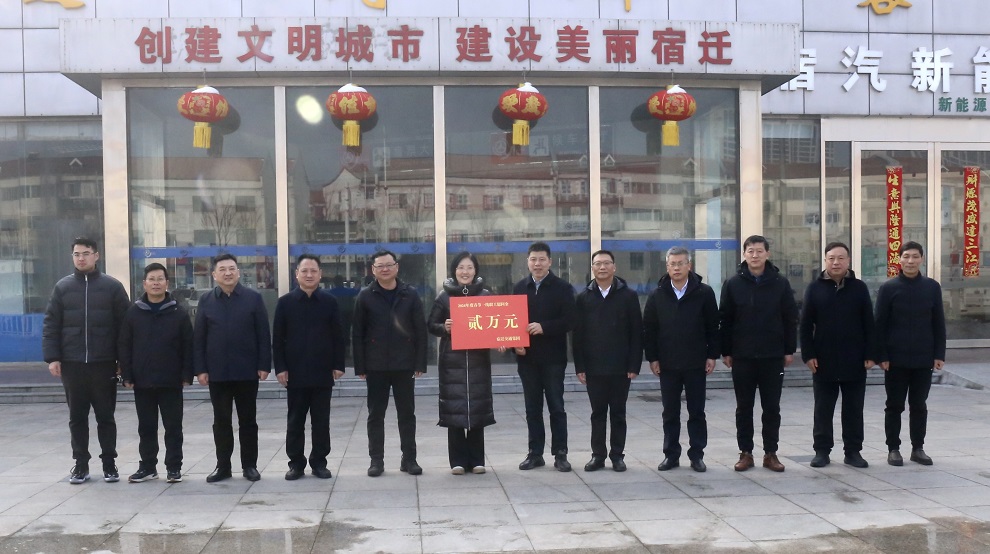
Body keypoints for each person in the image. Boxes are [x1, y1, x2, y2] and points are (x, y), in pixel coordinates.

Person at [43, 237, 130, 484]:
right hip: (72, 364)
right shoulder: (62, 287)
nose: (81, 258)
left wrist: (123, 360)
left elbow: (125, 327)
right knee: (77, 418)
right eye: (76, 254)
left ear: (96, 255)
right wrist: (53, 357)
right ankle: (80, 465)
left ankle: (109, 464)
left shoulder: (112, 287)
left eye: (86, 253)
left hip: (104, 363)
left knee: (106, 417)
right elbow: (51, 324)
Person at [720, 235, 798, 473]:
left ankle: (770, 453)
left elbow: (790, 318)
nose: (755, 255)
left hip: (772, 356)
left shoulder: (780, 283)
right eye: (750, 251)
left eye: (759, 251)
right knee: (744, 407)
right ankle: (745, 453)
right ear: (744, 254)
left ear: (767, 254)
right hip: (742, 356)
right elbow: (725, 319)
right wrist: (726, 351)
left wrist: (789, 349)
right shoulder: (733, 284)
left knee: (771, 407)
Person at [194, 253, 272, 483]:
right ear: (214, 274)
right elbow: (199, 338)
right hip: (217, 373)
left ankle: (250, 466)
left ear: (238, 272)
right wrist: (200, 369)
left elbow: (263, 334)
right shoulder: (206, 300)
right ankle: (223, 466)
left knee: (248, 421)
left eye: (231, 269)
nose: (227, 273)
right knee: (221, 422)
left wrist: (264, 365)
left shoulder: (253, 298)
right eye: (222, 269)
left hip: (247, 371)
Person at [643, 246, 719, 473]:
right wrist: (653, 358)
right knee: (670, 412)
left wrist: (712, 355)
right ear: (667, 267)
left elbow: (713, 326)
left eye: (680, 263)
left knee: (697, 411)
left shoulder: (704, 292)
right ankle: (671, 455)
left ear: (689, 266)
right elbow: (649, 329)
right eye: (672, 264)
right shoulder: (657, 294)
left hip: (696, 362)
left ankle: (697, 455)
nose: (676, 268)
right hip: (668, 363)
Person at [800, 242, 875, 469]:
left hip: (855, 358)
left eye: (841, 258)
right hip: (823, 359)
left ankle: (853, 451)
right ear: (825, 260)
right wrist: (808, 355)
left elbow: (869, 323)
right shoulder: (814, 288)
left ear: (848, 261)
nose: (836, 262)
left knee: (854, 409)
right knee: (823, 409)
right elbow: (805, 325)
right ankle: (822, 451)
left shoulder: (859, 288)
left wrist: (871, 353)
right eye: (831, 258)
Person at [352, 250, 427, 477]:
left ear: (396, 267)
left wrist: (420, 363)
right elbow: (357, 333)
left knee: (407, 414)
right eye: (380, 266)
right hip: (375, 365)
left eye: (389, 265)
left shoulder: (409, 294)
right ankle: (376, 460)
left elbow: (420, 330)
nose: (385, 269)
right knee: (376, 415)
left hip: (404, 364)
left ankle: (409, 459)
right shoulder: (365, 296)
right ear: (373, 270)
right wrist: (360, 366)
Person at [118, 263, 193, 483]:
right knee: (146, 427)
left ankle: (174, 467)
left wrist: (187, 374)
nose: (156, 283)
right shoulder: (134, 312)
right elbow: (124, 345)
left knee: (173, 427)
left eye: (160, 279)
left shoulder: (178, 312)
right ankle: (148, 466)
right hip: (142, 381)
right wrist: (127, 374)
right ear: (144, 284)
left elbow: (188, 345)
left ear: (167, 283)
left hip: (171, 381)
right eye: (152, 279)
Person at [273, 254, 345, 481]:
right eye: (304, 271)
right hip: (294, 373)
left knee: (321, 421)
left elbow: (338, 336)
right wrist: (280, 368)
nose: (309, 275)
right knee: (295, 421)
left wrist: (338, 364)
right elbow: (278, 339)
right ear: (297, 274)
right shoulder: (285, 303)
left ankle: (319, 462)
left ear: (320, 274)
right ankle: (295, 463)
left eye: (313, 271)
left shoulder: (330, 302)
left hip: (322, 371)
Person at [875, 241, 946, 466]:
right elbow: (880, 325)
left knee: (919, 405)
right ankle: (893, 449)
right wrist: (882, 356)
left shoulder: (932, 287)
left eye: (915, 256)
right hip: (895, 359)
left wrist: (939, 354)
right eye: (906, 256)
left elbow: (938, 323)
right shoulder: (889, 288)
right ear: (899, 259)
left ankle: (918, 448)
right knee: (894, 405)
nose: (910, 261)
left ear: (921, 259)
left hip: (923, 358)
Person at [427, 252, 496, 475]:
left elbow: (497, 324)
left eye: (469, 267)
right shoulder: (444, 297)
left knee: (477, 408)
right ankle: (457, 460)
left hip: (478, 360)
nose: (465, 272)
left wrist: (502, 340)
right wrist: (444, 327)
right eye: (460, 267)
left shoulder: (485, 296)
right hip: (452, 361)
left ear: (475, 270)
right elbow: (431, 325)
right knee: (454, 409)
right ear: (454, 270)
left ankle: (477, 460)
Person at [573, 250, 642, 472]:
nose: (602, 267)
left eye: (606, 263)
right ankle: (598, 455)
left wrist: (634, 364)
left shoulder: (628, 296)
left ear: (614, 267)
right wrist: (580, 366)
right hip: (594, 367)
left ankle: (617, 455)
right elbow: (577, 336)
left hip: (621, 367)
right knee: (598, 413)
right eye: (597, 264)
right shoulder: (583, 298)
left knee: (618, 413)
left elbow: (636, 332)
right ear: (592, 268)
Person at [513, 242, 576, 472]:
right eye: (533, 259)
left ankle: (560, 453)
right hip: (527, 359)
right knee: (532, 409)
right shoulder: (520, 288)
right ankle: (535, 453)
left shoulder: (562, 288)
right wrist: (515, 345)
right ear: (527, 262)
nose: (537, 264)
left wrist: (544, 327)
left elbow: (570, 320)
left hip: (553, 359)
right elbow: (512, 322)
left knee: (556, 407)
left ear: (550, 262)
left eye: (541, 259)